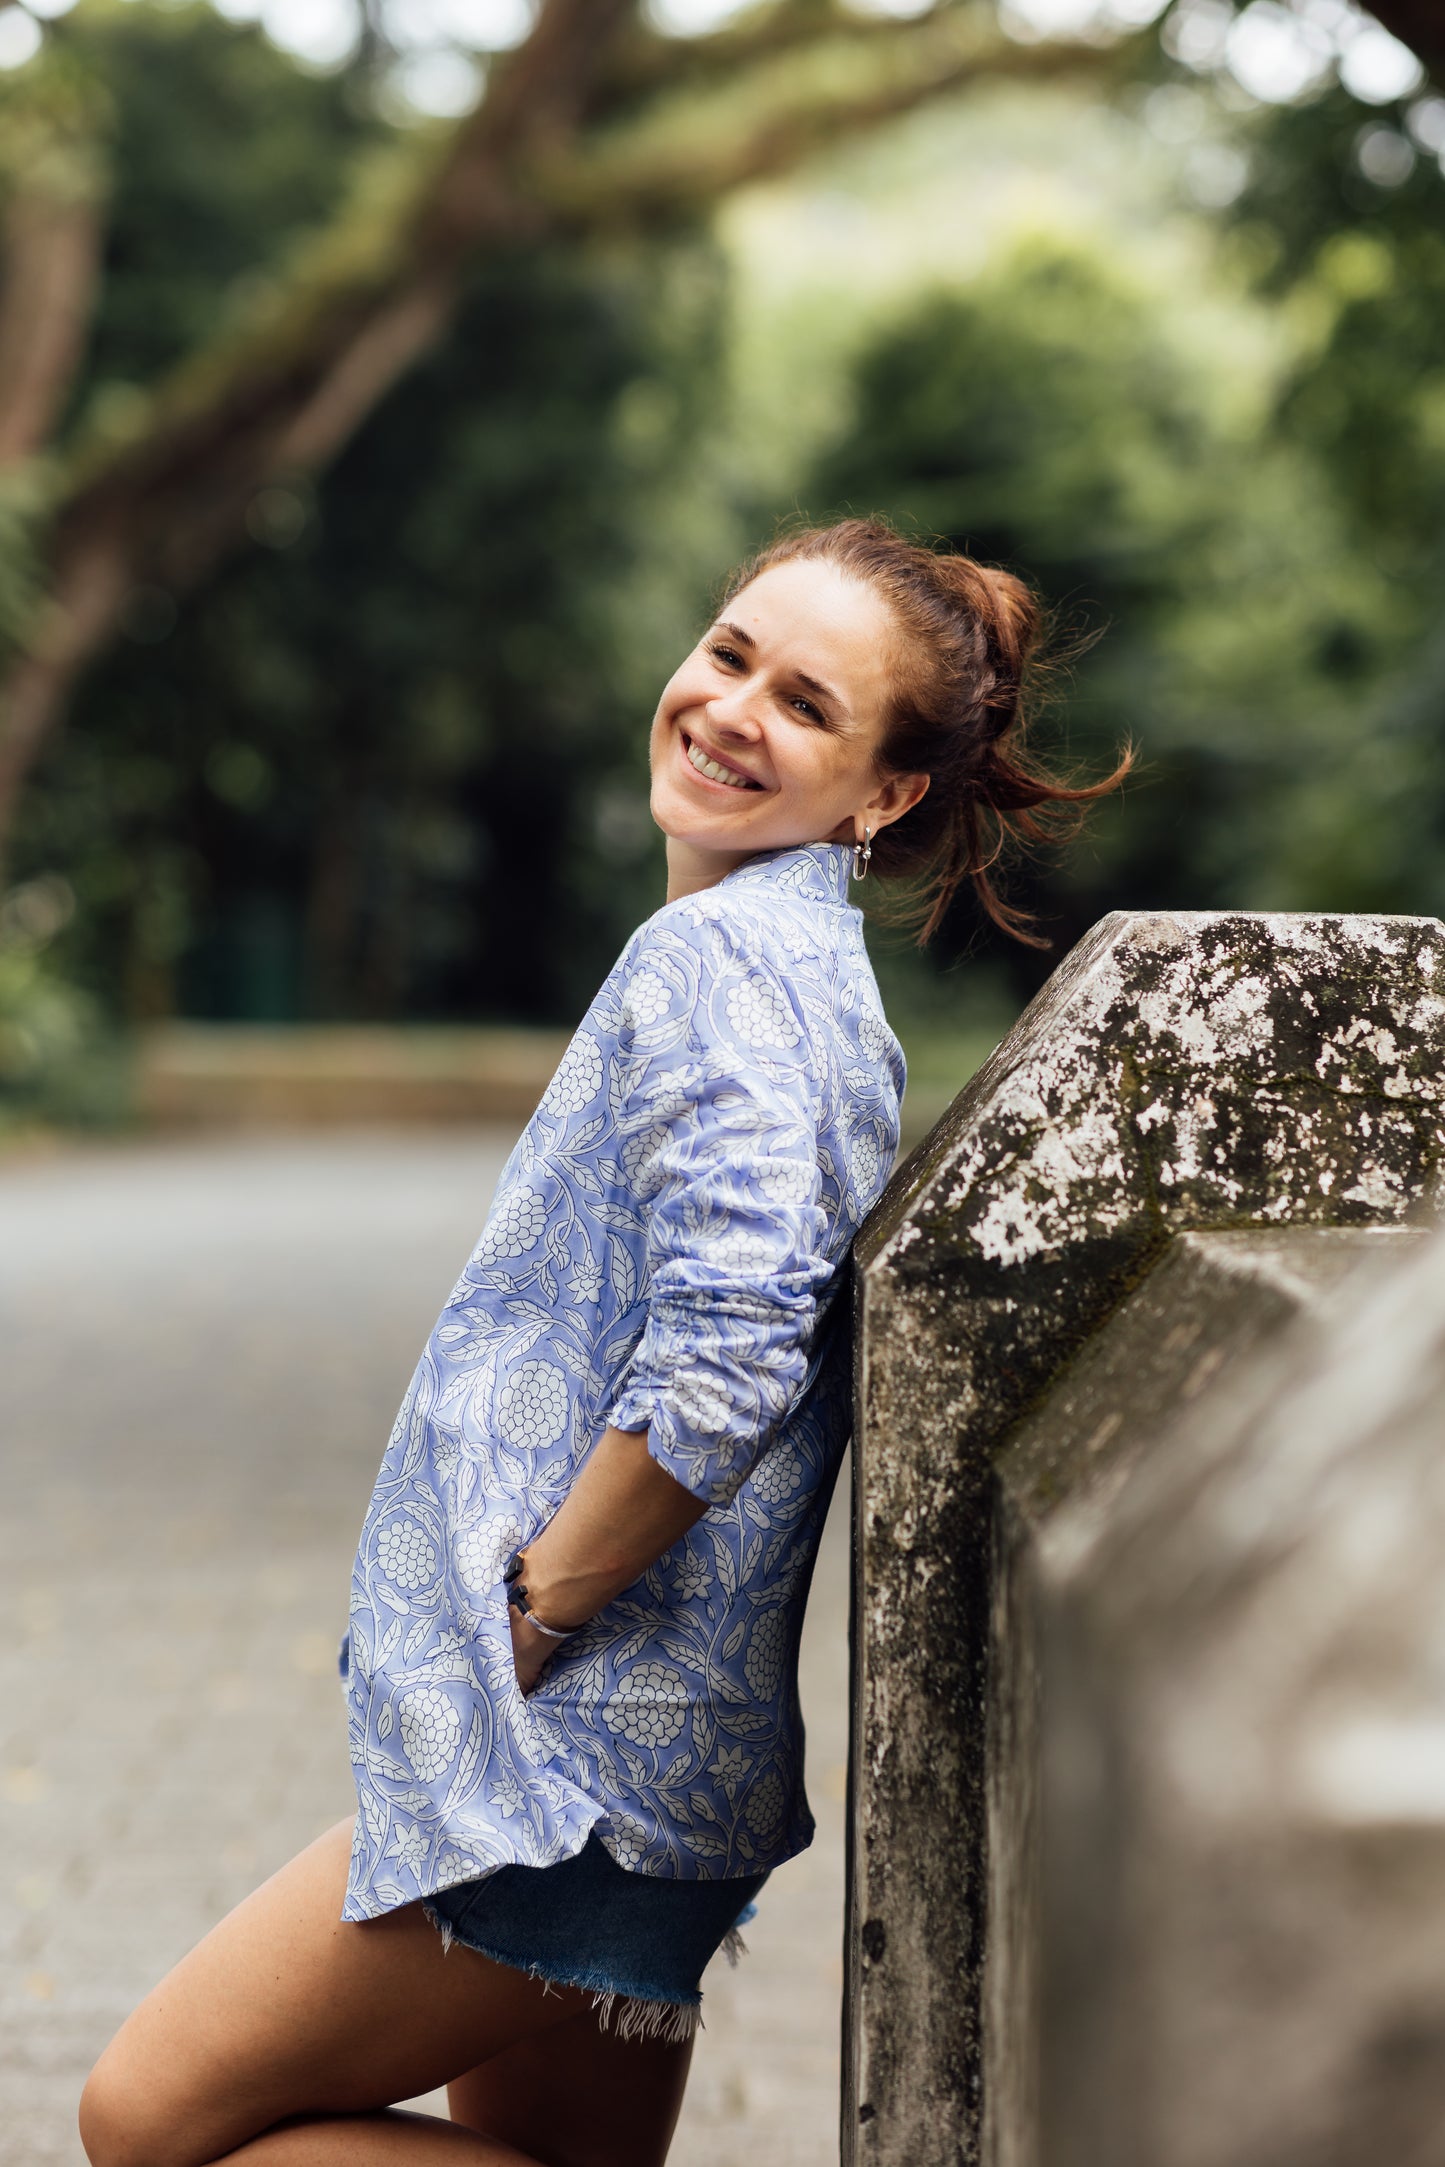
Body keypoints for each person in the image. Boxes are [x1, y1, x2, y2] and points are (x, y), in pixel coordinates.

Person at [78, 517, 1127, 2167]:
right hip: (654, 1773)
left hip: (568, 1767)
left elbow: (724, 1367)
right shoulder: (789, 969)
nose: (728, 710)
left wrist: (528, 1619)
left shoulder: (724, 969)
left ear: (883, 795)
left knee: (156, 2124)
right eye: (728, 654)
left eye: (803, 704)